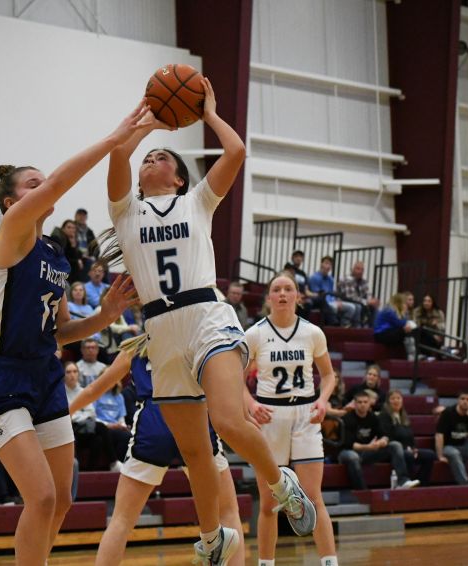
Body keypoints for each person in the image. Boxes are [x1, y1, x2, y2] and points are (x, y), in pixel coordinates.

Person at [105, 82, 314, 564]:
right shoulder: (126, 211)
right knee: (195, 453)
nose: (149, 159)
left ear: (179, 178)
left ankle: (282, 485)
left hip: (207, 318)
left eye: (161, 157)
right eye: (147, 158)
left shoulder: (196, 201)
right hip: (160, 331)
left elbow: (236, 150)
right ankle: (214, 538)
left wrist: (210, 113)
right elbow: (117, 154)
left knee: (226, 418)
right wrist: (149, 126)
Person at [0, 102, 147, 565]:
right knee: (42, 498)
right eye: (32, 184)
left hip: (45, 374)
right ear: (13, 202)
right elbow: (56, 185)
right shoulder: (11, 232)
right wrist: (114, 139)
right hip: (3, 380)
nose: (44, 187)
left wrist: (107, 314)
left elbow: (62, 333)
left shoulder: (54, 253)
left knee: (62, 500)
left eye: (41, 182)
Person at [69, 336, 246, 566]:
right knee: (228, 511)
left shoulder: (136, 345)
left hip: (153, 421)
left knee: (121, 520)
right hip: (194, 416)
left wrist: (65, 412)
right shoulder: (195, 334)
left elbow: (95, 388)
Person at [243, 273, 338, 566]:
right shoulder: (255, 333)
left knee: (312, 496)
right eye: (276, 289)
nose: (282, 294)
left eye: (288, 289)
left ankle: (329, 562)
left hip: (306, 416)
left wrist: (323, 401)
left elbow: (330, 375)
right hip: (270, 417)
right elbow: (234, 377)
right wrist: (250, 403)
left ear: (298, 296)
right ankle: (265, 564)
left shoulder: (313, 333)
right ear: (269, 298)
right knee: (270, 502)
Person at [338, 390, 419, 490]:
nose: (363, 405)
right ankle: (363, 492)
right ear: (354, 404)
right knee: (353, 457)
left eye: (365, 402)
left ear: (369, 404)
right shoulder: (347, 418)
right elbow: (349, 444)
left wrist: (383, 441)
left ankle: (402, 481)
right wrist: (369, 447)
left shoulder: (373, 418)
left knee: (395, 445)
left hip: (367, 452)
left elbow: (384, 435)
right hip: (348, 452)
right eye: (359, 402)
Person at [64, 361, 123, 472]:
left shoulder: (83, 391)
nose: (72, 375)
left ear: (78, 374)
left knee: (98, 440)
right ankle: (114, 462)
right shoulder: (61, 393)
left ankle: (91, 471)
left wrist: (77, 414)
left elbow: (91, 412)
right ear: (64, 375)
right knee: (100, 427)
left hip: (85, 428)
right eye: (68, 372)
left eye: (75, 371)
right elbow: (66, 415)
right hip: (71, 429)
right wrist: (81, 414)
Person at [379, 390, 436, 485]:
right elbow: (387, 437)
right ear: (388, 401)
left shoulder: (404, 416)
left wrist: (413, 448)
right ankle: (406, 482)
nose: (396, 401)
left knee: (430, 455)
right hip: (392, 451)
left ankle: (421, 483)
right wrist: (407, 449)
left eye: (398, 398)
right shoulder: (384, 416)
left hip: (407, 449)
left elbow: (410, 436)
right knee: (408, 455)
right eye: (393, 398)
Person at [374, 293, 418, 361]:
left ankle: (413, 354)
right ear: (399, 303)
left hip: (388, 332)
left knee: (411, 331)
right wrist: (404, 312)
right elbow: (399, 323)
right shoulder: (389, 310)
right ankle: (412, 355)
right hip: (381, 334)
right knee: (406, 330)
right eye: (404, 303)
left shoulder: (393, 310)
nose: (405, 305)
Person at [337, 261, 379, 326]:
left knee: (374, 308)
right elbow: (350, 297)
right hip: (344, 301)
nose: (360, 271)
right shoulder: (347, 279)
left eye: (362, 269)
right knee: (358, 306)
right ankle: (357, 327)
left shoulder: (363, 281)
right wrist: (368, 302)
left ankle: (373, 330)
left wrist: (372, 301)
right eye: (358, 269)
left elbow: (368, 294)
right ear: (352, 269)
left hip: (359, 302)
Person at [74, 208, 100, 277]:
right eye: (80, 215)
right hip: (77, 256)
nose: (82, 217)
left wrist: (93, 256)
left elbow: (96, 248)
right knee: (89, 263)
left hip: (89, 257)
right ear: (75, 216)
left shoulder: (89, 232)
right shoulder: (71, 228)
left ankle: (107, 287)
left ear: (86, 218)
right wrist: (80, 256)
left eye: (84, 216)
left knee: (103, 265)